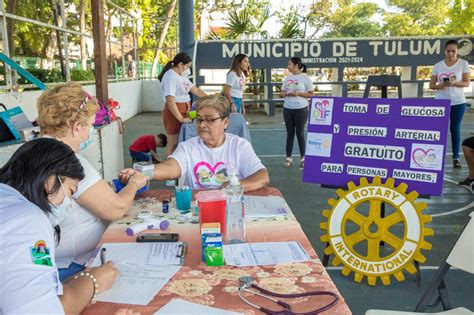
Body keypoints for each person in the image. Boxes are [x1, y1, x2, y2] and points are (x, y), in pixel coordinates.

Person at [36, 82, 147, 281]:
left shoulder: (31, 151)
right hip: (71, 266)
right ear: (77, 127)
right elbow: (116, 209)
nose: (91, 132)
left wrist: (111, 186)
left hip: (43, 262)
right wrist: (134, 183)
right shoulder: (69, 161)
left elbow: (81, 195)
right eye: (91, 125)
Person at [0, 138, 118, 314]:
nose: (68, 203)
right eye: (70, 191)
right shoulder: (26, 221)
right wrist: (93, 281)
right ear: (50, 178)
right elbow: (40, 311)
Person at [120, 95, 269, 191]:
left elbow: (262, 176)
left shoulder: (239, 146)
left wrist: (234, 186)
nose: (202, 124)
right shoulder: (187, 147)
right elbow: (171, 168)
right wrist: (142, 173)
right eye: (198, 119)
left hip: (232, 206)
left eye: (209, 119)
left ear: (225, 122)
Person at [430, 40, 471, 168]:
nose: (451, 54)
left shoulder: (463, 64)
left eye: (453, 51)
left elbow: (466, 82)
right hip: (441, 102)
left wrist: (455, 83)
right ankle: (435, 156)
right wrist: (440, 85)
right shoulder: (438, 66)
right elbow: (431, 85)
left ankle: (455, 157)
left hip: (458, 102)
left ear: (457, 51)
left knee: (455, 129)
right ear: (444, 51)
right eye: (448, 51)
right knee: (439, 130)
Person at [158, 52, 207, 157]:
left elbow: (196, 90)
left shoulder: (181, 76)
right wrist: (180, 118)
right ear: (180, 64)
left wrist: (211, 99)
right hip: (174, 112)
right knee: (173, 143)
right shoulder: (170, 76)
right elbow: (170, 100)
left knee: (183, 141)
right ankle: (170, 170)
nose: (188, 69)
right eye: (187, 66)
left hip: (185, 110)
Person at [279, 57, 314, 169]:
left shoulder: (305, 78)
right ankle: (288, 157)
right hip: (288, 108)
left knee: (300, 133)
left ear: (296, 65)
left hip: (301, 109)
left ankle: (303, 158)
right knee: (290, 133)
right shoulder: (287, 78)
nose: (288, 66)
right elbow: (282, 92)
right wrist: (286, 94)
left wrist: (298, 94)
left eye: (289, 64)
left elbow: (311, 94)